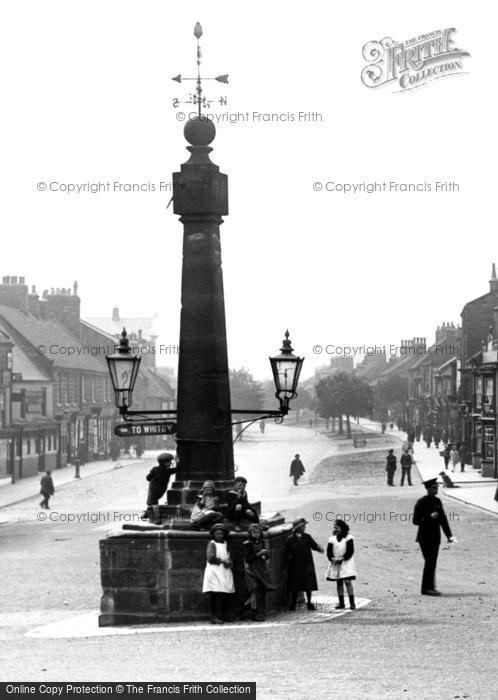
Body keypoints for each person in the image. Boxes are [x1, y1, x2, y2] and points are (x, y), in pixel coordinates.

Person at [412, 477, 457, 595]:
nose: (436, 489)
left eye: (437, 487)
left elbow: (443, 519)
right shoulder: (421, 502)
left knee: (432, 562)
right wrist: (429, 517)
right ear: (427, 488)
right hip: (424, 537)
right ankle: (426, 588)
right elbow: (415, 521)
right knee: (429, 562)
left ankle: (430, 587)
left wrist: (449, 535)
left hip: (435, 537)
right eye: (434, 488)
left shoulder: (437, 502)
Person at [284, 518, 324, 611]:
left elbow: (314, 545)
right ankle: (293, 603)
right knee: (295, 585)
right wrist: (285, 565)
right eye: (303, 526)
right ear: (298, 527)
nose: (304, 527)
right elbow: (287, 553)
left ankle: (309, 602)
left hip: (307, 564)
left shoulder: (307, 537)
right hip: (295, 565)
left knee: (308, 585)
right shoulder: (291, 539)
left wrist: (319, 548)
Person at [202, 523, 235, 624]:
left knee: (225, 593)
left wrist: (229, 561)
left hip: (224, 570)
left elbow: (230, 554)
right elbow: (211, 558)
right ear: (214, 534)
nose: (219, 535)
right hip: (214, 571)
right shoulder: (212, 543)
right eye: (217, 533)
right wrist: (222, 560)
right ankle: (215, 616)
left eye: (221, 533)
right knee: (216, 594)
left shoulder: (226, 544)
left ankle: (224, 614)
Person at [243, 523, 275, 621]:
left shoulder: (262, 542)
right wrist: (258, 554)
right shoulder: (248, 544)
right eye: (254, 532)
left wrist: (265, 555)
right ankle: (254, 612)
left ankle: (261, 612)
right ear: (250, 533)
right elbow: (248, 558)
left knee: (263, 591)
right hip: (252, 570)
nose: (256, 534)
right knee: (255, 592)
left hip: (262, 569)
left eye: (258, 532)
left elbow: (267, 556)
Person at [326, 519, 357, 610]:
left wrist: (342, 558)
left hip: (346, 562)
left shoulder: (349, 538)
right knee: (339, 582)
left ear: (342, 528)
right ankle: (341, 603)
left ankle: (352, 603)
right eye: (334, 527)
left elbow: (350, 551)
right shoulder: (332, 539)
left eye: (337, 528)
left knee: (347, 581)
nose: (335, 529)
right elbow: (329, 551)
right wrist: (332, 559)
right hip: (336, 563)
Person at [141, 452, 177, 519]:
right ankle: (147, 513)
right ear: (165, 463)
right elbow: (177, 469)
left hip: (153, 489)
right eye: (169, 461)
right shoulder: (168, 471)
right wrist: (178, 462)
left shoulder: (155, 469)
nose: (170, 463)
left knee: (153, 503)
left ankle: (156, 518)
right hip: (161, 490)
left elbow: (148, 478)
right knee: (152, 502)